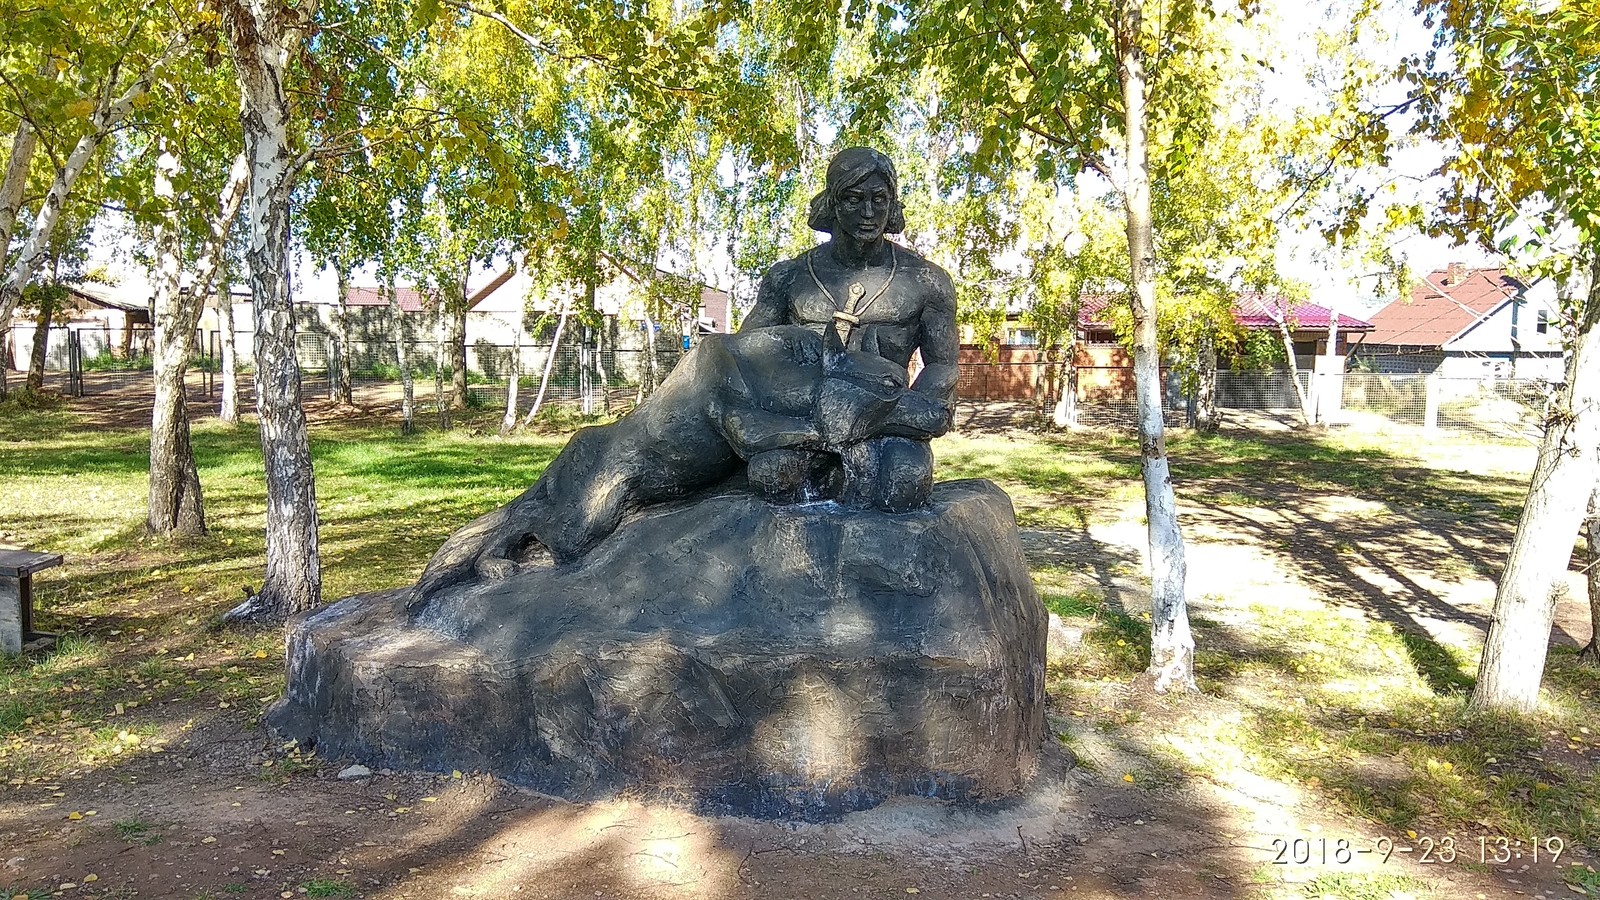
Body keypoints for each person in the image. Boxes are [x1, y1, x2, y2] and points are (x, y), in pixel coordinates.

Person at [739, 147, 959, 509]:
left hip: (889, 424)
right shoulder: (789, 277)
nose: (868, 213)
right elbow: (749, 352)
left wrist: (905, 413)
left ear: (893, 204)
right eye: (854, 199)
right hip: (809, 426)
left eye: (879, 199)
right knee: (770, 478)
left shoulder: (926, 281)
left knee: (903, 485)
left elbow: (943, 366)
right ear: (832, 203)